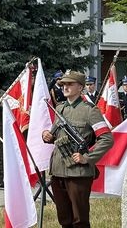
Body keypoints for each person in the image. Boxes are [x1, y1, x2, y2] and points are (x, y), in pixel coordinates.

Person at [42, 71, 114, 228]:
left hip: (78, 172)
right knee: (64, 218)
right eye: (63, 84)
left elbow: (107, 139)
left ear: (80, 87)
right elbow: (57, 135)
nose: (65, 87)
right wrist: (47, 136)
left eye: (69, 84)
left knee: (79, 220)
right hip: (58, 170)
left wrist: (87, 158)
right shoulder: (60, 107)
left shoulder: (90, 110)